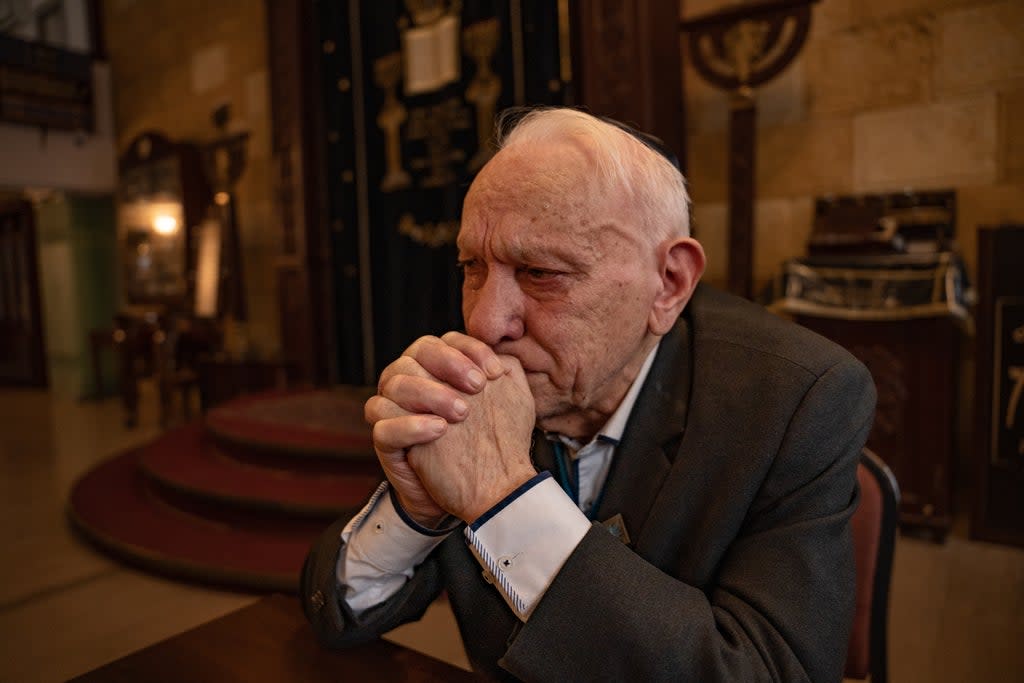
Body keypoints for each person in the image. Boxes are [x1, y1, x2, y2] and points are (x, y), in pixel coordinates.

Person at [301, 107, 876, 682]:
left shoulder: (797, 399)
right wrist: (415, 516)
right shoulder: (478, 375)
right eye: (472, 267)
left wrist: (505, 498)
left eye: (541, 272)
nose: (484, 321)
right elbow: (337, 616)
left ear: (668, 284)